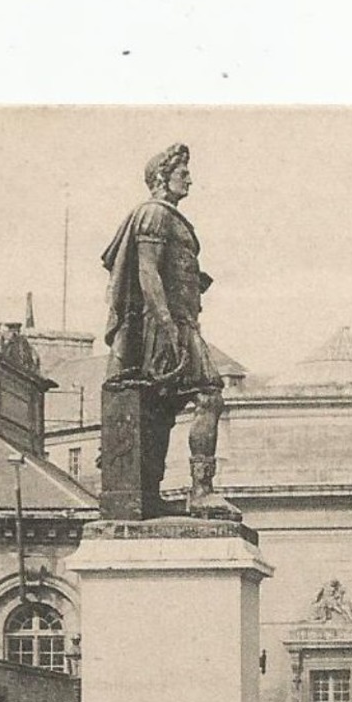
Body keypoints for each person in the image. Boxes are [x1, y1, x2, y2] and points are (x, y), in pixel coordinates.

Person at [101, 143, 240, 520]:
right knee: (209, 393)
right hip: (167, 324)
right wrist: (166, 326)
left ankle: (153, 493)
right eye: (183, 173)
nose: (190, 179)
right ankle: (201, 491)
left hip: (181, 320)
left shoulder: (171, 218)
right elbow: (147, 271)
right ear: (162, 177)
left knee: (161, 408)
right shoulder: (153, 215)